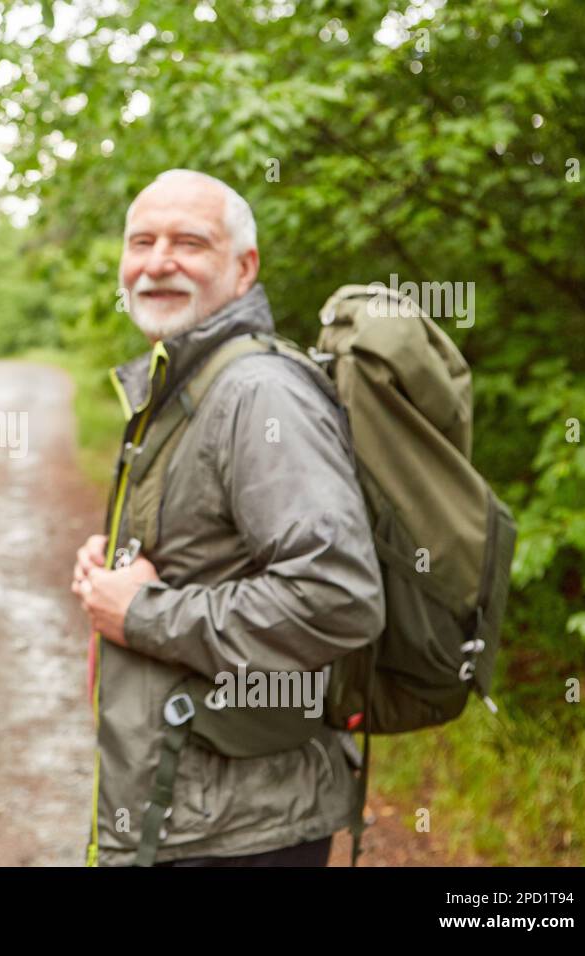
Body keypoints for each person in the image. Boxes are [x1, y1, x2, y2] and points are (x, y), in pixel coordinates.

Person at [72, 169, 385, 867]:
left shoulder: (258, 393)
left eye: (189, 242)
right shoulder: (185, 381)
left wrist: (145, 612)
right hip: (188, 809)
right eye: (142, 241)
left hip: (243, 833)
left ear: (243, 268)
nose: (157, 262)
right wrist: (114, 565)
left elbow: (338, 596)